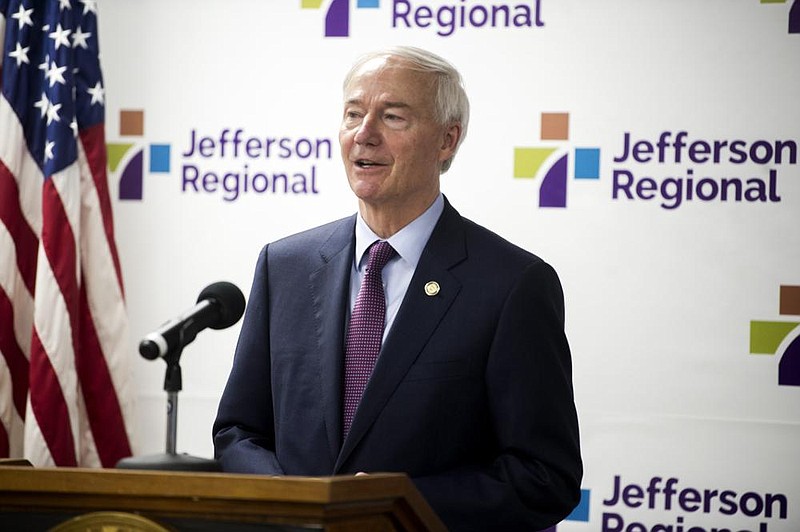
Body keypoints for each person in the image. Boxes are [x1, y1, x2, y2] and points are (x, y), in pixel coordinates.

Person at [213, 46, 582, 531]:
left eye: (392, 117)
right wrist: (290, 500)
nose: (364, 135)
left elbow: (543, 476)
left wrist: (396, 504)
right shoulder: (283, 266)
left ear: (447, 141)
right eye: (352, 114)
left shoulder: (513, 284)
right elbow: (238, 430)